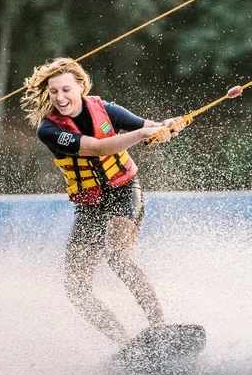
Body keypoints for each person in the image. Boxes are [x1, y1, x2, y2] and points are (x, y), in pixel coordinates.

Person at [21, 58, 188, 344]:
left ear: (81, 87)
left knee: (118, 254)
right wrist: (143, 134)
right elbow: (97, 148)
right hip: (89, 203)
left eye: (65, 89)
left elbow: (152, 129)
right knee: (77, 288)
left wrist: (168, 128)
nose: (60, 97)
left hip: (123, 190)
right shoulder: (48, 130)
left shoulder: (107, 110)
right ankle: (125, 345)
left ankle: (160, 327)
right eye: (53, 91)